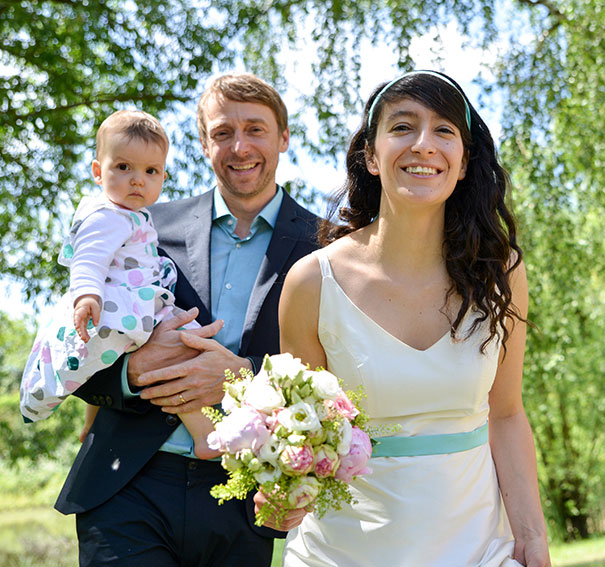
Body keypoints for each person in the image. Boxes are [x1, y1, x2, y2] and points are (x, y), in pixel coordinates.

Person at [267, 70, 551, 566]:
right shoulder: (312, 282)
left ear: (463, 163)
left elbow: (506, 414)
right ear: (371, 156)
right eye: (402, 127)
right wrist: (279, 491)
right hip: (339, 554)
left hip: (479, 551)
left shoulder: (500, 272)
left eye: (444, 130)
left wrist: (532, 536)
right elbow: (302, 431)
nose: (424, 144)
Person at [54, 73, 321, 566]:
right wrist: (131, 373)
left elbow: (338, 374)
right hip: (126, 487)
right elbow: (74, 345)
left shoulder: (326, 246)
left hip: (246, 495)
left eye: (256, 129)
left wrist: (245, 376)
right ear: (203, 144)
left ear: (284, 137)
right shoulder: (140, 224)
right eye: (222, 133)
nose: (239, 147)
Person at [20, 110, 219, 459]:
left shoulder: (127, 214)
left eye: (150, 171)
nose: (137, 180)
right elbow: (88, 259)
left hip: (125, 302)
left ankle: (91, 424)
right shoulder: (107, 216)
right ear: (99, 171)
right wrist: (87, 296)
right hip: (119, 306)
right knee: (180, 349)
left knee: (102, 361)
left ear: (163, 176)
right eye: (124, 167)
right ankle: (205, 434)